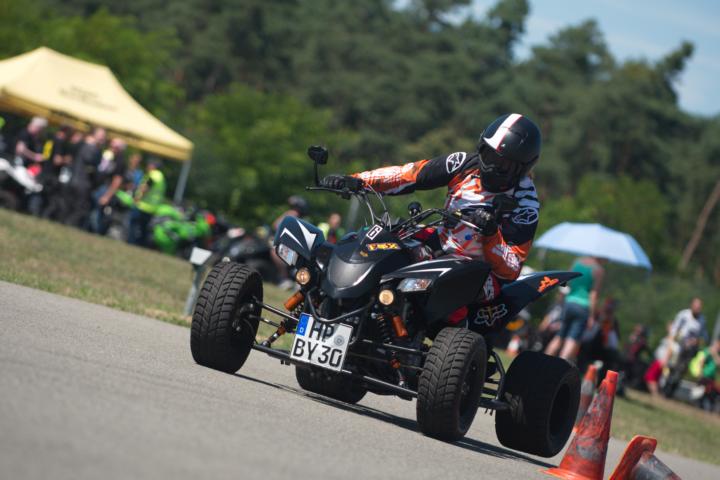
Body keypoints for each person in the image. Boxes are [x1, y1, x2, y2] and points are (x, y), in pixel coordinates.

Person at [319, 113, 542, 330]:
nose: (492, 166)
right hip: (440, 241)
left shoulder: (526, 203)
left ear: (522, 168)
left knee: (449, 286)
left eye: (503, 164)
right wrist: (356, 180)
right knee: (380, 245)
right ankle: (351, 310)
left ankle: (455, 341)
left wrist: (491, 233)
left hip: (483, 270)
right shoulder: (463, 163)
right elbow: (408, 175)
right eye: (490, 156)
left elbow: (511, 268)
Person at [545, 256, 605, 362]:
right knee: (572, 340)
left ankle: (542, 362)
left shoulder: (577, 262)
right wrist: (592, 316)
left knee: (559, 336)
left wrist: (561, 296)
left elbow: (565, 280)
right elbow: (593, 294)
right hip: (583, 306)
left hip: (569, 302)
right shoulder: (598, 270)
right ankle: (560, 366)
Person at [662, 297, 708, 398]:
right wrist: (671, 344)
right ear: (692, 305)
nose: (698, 308)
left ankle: (671, 392)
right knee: (672, 368)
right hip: (679, 347)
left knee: (682, 371)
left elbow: (704, 337)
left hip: (691, 351)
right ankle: (665, 389)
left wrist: (696, 341)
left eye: (699, 307)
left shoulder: (702, 320)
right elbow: (674, 330)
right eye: (696, 306)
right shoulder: (683, 315)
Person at [65, 127, 106, 228]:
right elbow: (90, 163)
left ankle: (68, 224)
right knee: (77, 207)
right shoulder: (90, 148)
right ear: (94, 135)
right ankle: (69, 224)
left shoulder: (86, 146)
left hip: (78, 180)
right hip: (81, 181)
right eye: (101, 135)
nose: (103, 138)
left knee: (74, 206)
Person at [271, 195, 309, 288]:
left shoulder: (293, 215)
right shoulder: (294, 215)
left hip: (288, 247)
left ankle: (284, 278)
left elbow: (276, 225)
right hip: (288, 245)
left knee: (274, 251)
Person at [91, 138, 127, 234]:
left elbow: (117, 181)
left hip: (106, 189)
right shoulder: (110, 157)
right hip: (101, 187)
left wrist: (107, 196)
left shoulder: (120, 161)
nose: (112, 148)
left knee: (97, 214)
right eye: (111, 146)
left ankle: (96, 232)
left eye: (115, 147)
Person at [128, 159, 166, 246]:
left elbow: (146, 187)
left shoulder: (153, 175)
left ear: (153, 166)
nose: (148, 166)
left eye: (149, 164)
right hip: (152, 207)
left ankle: (131, 242)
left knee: (133, 225)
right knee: (144, 229)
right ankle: (141, 245)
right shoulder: (161, 177)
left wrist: (137, 198)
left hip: (142, 206)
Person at [689, 337, 720, 411]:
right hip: (704, 375)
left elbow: (718, 363)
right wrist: (700, 372)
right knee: (699, 392)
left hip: (711, 377)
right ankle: (697, 405)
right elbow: (702, 361)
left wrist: (714, 354)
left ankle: (707, 407)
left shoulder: (716, 354)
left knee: (711, 394)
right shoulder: (707, 351)